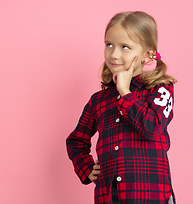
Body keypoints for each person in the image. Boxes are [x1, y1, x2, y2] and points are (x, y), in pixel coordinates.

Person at [66, 11, 177, 204]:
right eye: (109, 45)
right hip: (109, 198)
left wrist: (125, 92)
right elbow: (75, 141)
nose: (114, 54)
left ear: (148, 54)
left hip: (152, 197)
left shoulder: (160, 90)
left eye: (125, 47)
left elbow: (151, 129)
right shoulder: (98, 101)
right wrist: (86, 168)